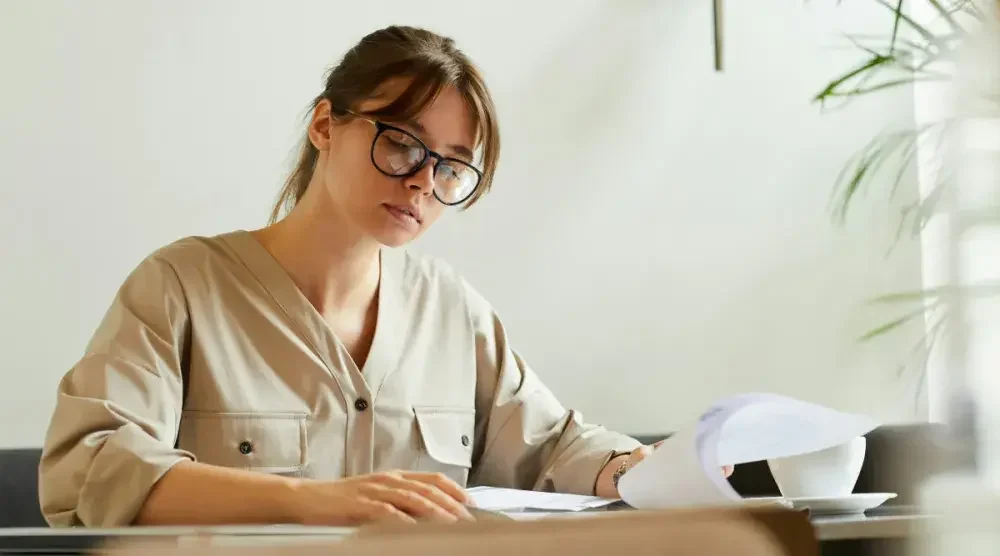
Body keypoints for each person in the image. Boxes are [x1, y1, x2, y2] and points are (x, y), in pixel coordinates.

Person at [38, 25, 731, 528]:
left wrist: (641, 465)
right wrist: (309, 502)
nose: (424, 182)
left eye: (452, 164)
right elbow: (90, 469)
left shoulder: (452, 312)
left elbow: (552, 445)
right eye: (401, 142)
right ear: (324, 126)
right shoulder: (181, 287)